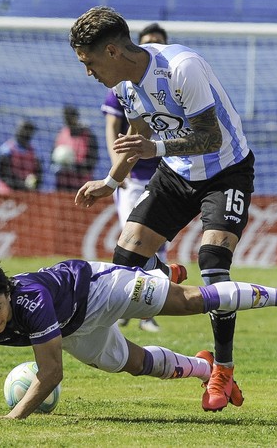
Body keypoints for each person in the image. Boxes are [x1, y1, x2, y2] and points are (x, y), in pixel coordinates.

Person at [69, 6, 256, 412]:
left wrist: (155, 148)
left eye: (90, 61)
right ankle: (160, 275)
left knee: (212, 261)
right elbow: (139, 131)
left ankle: (222, 368)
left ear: (114, 51)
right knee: (124, 259)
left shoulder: (181, 68)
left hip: (226, 171)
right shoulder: (124, 86)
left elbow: (208, 137)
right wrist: (111, 182)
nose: (88, 72)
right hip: (176, 174)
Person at [0, 250, 277, 419]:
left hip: (100, 288)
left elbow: (50, 374)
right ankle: (203, 369)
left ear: (7, 293)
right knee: (135, 365)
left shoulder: (29, 300)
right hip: (73, 329)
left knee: (189, 302)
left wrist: (12, 418)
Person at [101, 22, 169, 333]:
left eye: (158, 41)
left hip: (164, 176)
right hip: (131, 178)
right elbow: (113, 129)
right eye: (148, 41)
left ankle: (148, 311)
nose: (153, 45)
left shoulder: (171, 82)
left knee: (157, 242)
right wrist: (118, 170)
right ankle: (128, 305)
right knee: (133, 239)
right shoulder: (122, 86)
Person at [53, 105, 99, 192]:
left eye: (70, 118)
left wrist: (75, 167)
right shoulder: (61, 134)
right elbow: (53, 158)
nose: (68, 121)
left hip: (82, 185)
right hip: (62, 185)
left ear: (76, 117)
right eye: (66, 118)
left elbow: (93, 161)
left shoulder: (88, 136)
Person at [0, 120, 42, 194]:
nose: (27, 133)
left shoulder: (34, 152)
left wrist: (35, 184)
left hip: (28, 195)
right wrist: (23, 186)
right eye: (25, 129)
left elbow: (39, 174)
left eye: (30, 130)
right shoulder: (6, 150)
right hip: (6, 193)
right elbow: (4, 175)